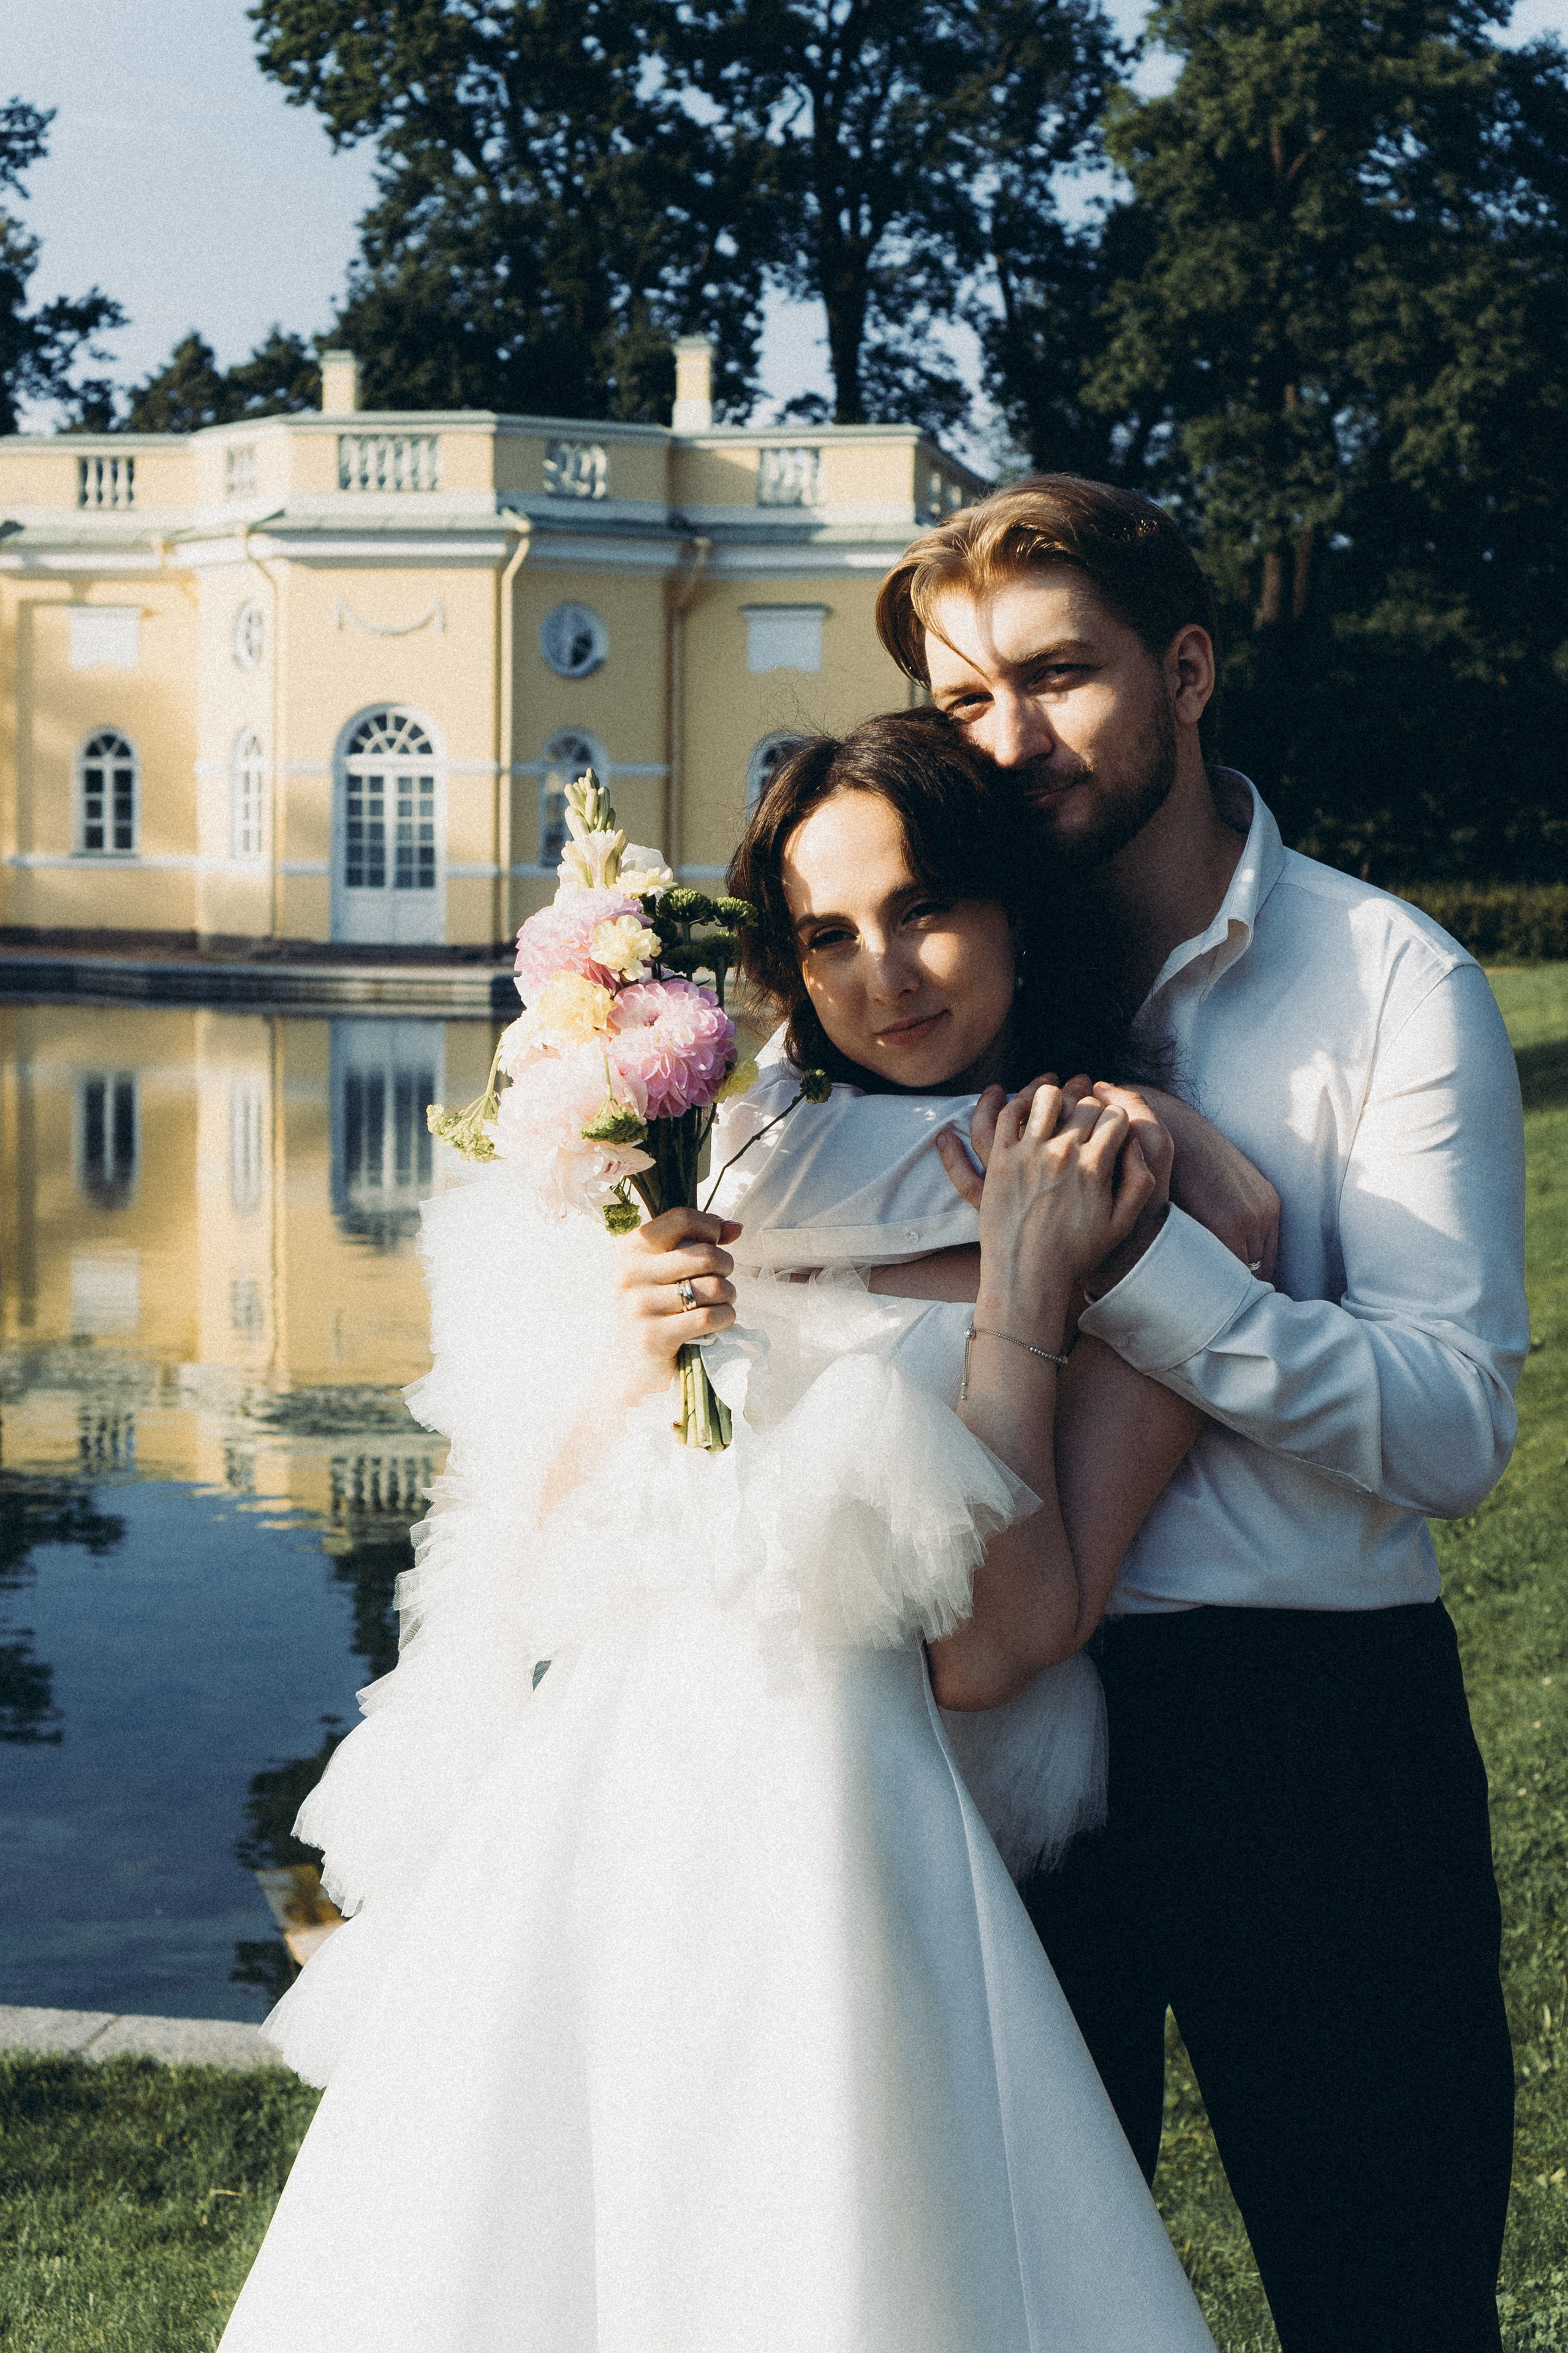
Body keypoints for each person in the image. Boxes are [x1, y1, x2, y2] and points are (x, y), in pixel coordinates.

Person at [216, 714, 1225, 2352]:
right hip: (601, 1828)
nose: (885, 971)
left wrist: (1024, 1303)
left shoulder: (1114, 1202)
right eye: (827, 935)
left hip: (847, 1859)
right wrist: (634, 1359)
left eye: (925, 909)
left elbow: (992, 1650)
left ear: (1018, 916)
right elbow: (548, 1572)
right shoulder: (728, 1165)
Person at [776, 476, 1526, 2353]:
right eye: (964, 704)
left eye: (1060, 677)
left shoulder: (1388, 982)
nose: (1010, 741)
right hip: (1000, 1737)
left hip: (1309, 1729)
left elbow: (1454, 1434)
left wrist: (1152, 1272)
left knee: (1386, 2300)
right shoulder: (934, 982)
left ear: (1186, 669)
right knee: (1015, 2305)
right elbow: (789, 1265)